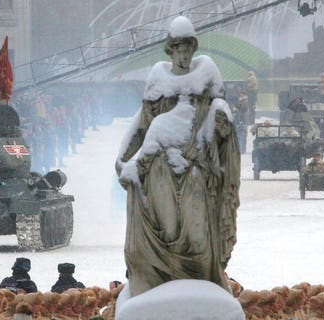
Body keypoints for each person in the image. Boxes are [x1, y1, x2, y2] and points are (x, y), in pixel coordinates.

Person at [115, 16, 240, 298]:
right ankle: (163, 281)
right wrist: (123, 155)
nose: (184, 55)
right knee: (167, 227)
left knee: (197, 231)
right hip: (161, 162)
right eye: (179, 50)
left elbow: (220, 107)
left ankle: (199, 283)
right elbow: (143, 121)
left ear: (193, 50)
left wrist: (221, 117)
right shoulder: (158, 77)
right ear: (170, 51)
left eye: (188, 50)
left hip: (196, 163)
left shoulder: (207, 71)